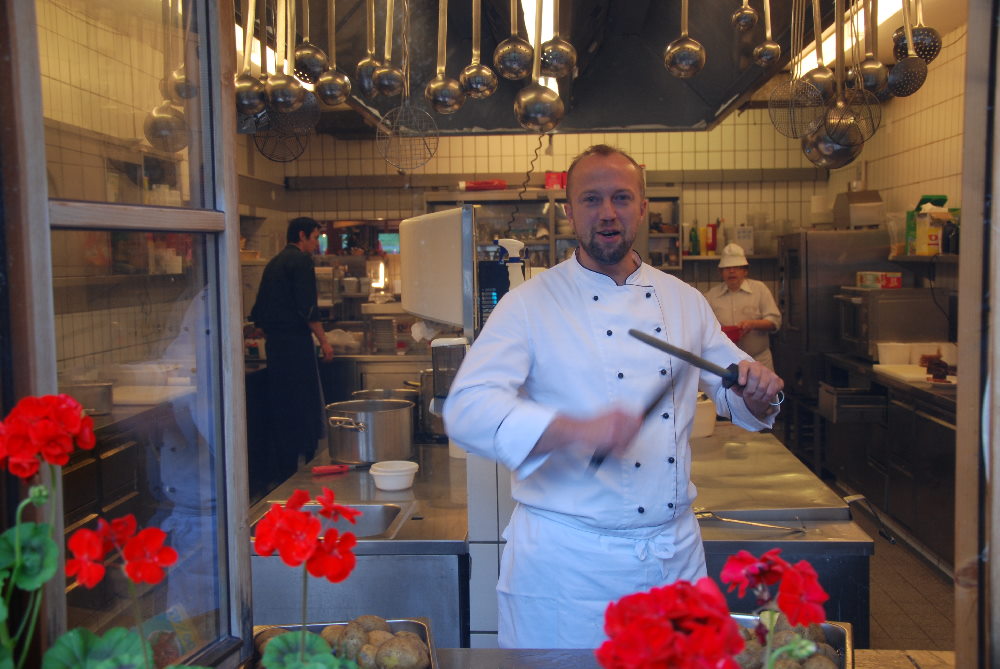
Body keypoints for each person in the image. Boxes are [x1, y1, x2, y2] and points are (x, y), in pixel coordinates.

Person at [443, 145, 784, 650]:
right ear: (569, 212)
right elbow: (467, 408)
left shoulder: (684, 301)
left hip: (673, 559)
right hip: (570, 568)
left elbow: (738, 394)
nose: (607, 213)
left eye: (622, 198)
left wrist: (759, 390)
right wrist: (574, 429)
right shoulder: (529, 304)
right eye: (591, 199)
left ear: (642, 207)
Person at [250, 217, 334, 482]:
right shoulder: (300, 261)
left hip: (276, 348)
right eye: (315, 238)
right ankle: (307, 467)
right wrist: (324, 340)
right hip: (296, 345)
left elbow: (259, 312)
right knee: (303, 404)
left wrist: (264, 328)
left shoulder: (274, 262)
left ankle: (285, 470)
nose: (316, 244)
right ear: (302, 235)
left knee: (283, 405)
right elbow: (307, 308)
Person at [703, 243, 781, 370]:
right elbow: (703, 326)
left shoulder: (760, 289)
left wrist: (753, 324)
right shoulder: (711, 296)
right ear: (721, 272)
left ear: (745, 271)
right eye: (727, 268)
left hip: (758, 361)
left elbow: (775, 322)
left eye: (736, 267)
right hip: (726, 363)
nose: (731, 271)